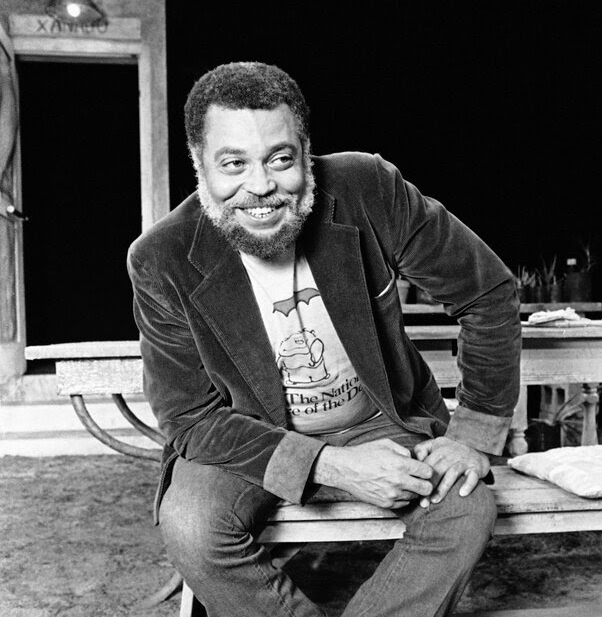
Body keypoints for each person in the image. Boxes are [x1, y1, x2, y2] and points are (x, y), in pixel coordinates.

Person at [127, 61, 521, 616]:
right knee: (191, 524)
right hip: (253, 438)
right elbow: (191, 419)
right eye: (233, 164)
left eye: (280, 159)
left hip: (381, 423)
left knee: (465, 507)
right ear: (200, 165)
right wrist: (329, 465)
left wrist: (475, 437)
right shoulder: (162, 257)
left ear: (306, 154)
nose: (260, 186)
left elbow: (487, 292)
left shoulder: (367, 188)